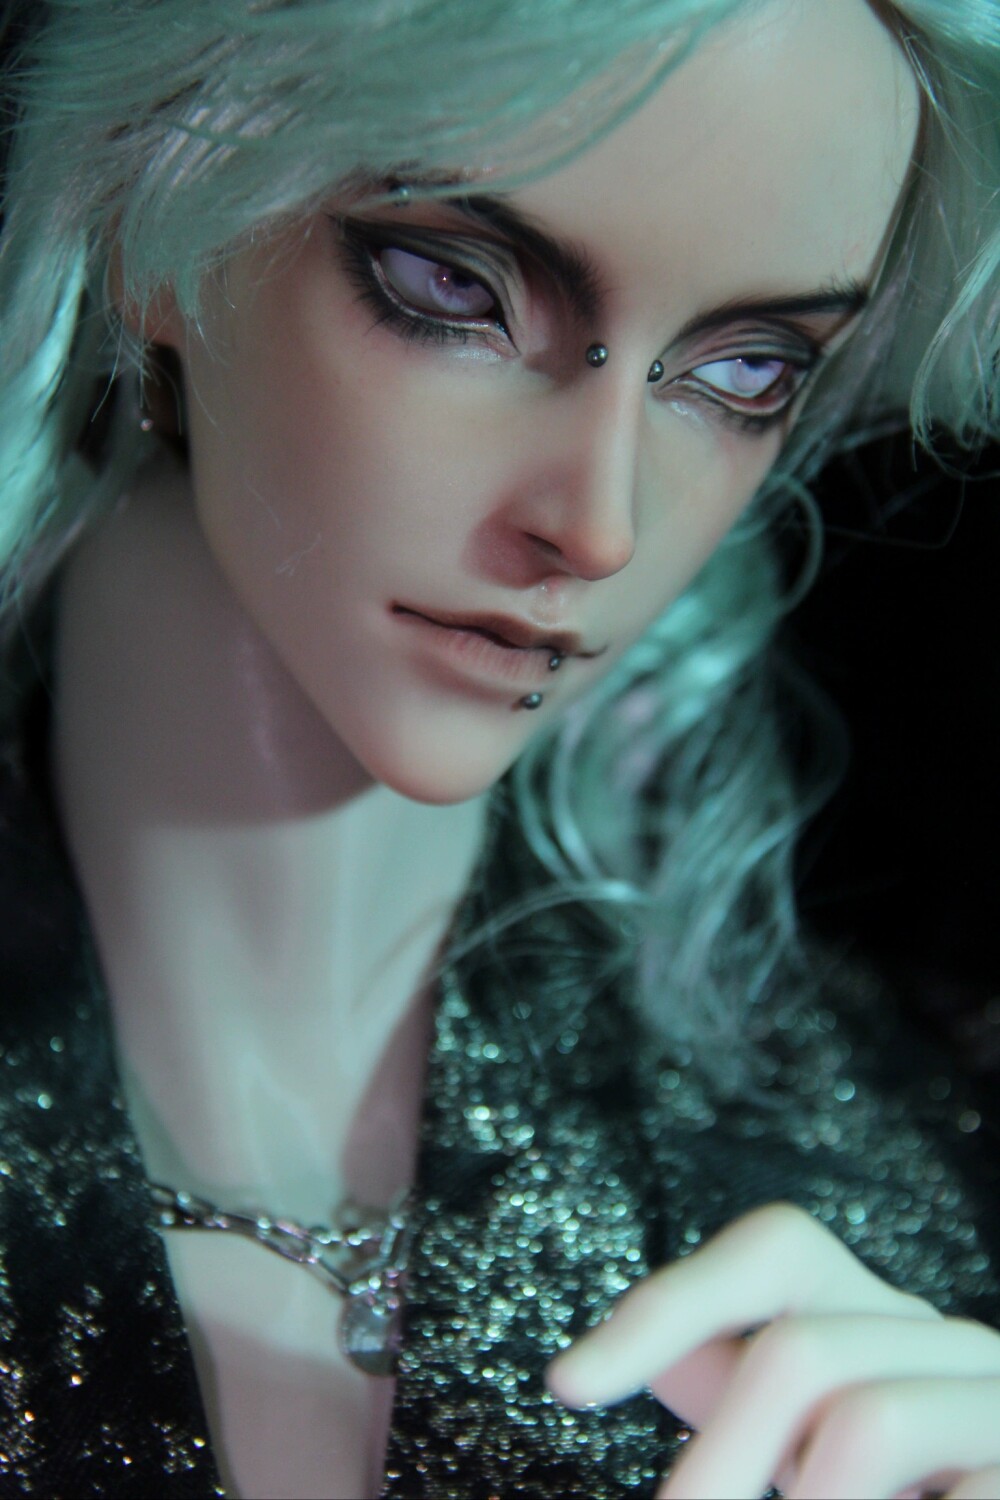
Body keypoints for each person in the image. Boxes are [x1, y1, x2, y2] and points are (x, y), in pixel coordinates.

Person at [0, 0, 998, 1495]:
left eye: (747, 371)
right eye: (455, 288)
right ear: (153, 215)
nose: (596, 523)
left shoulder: (907, 1207)